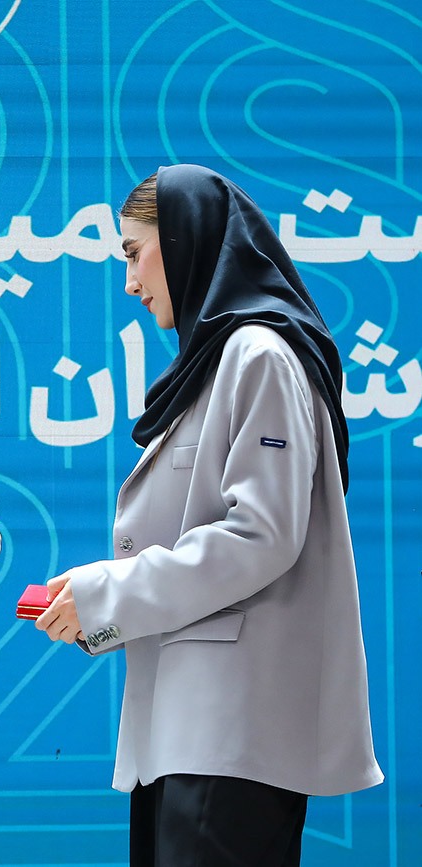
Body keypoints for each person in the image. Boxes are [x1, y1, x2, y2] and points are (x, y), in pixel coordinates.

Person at [36, 164, 382, 865]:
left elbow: (260, 537)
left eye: (134, 253)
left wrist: (109, 592)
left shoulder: (260, 355)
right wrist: (96, 604)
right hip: (192, 733)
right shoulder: (218, 363)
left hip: (233, 734)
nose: (129, 282)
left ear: (185, 240)